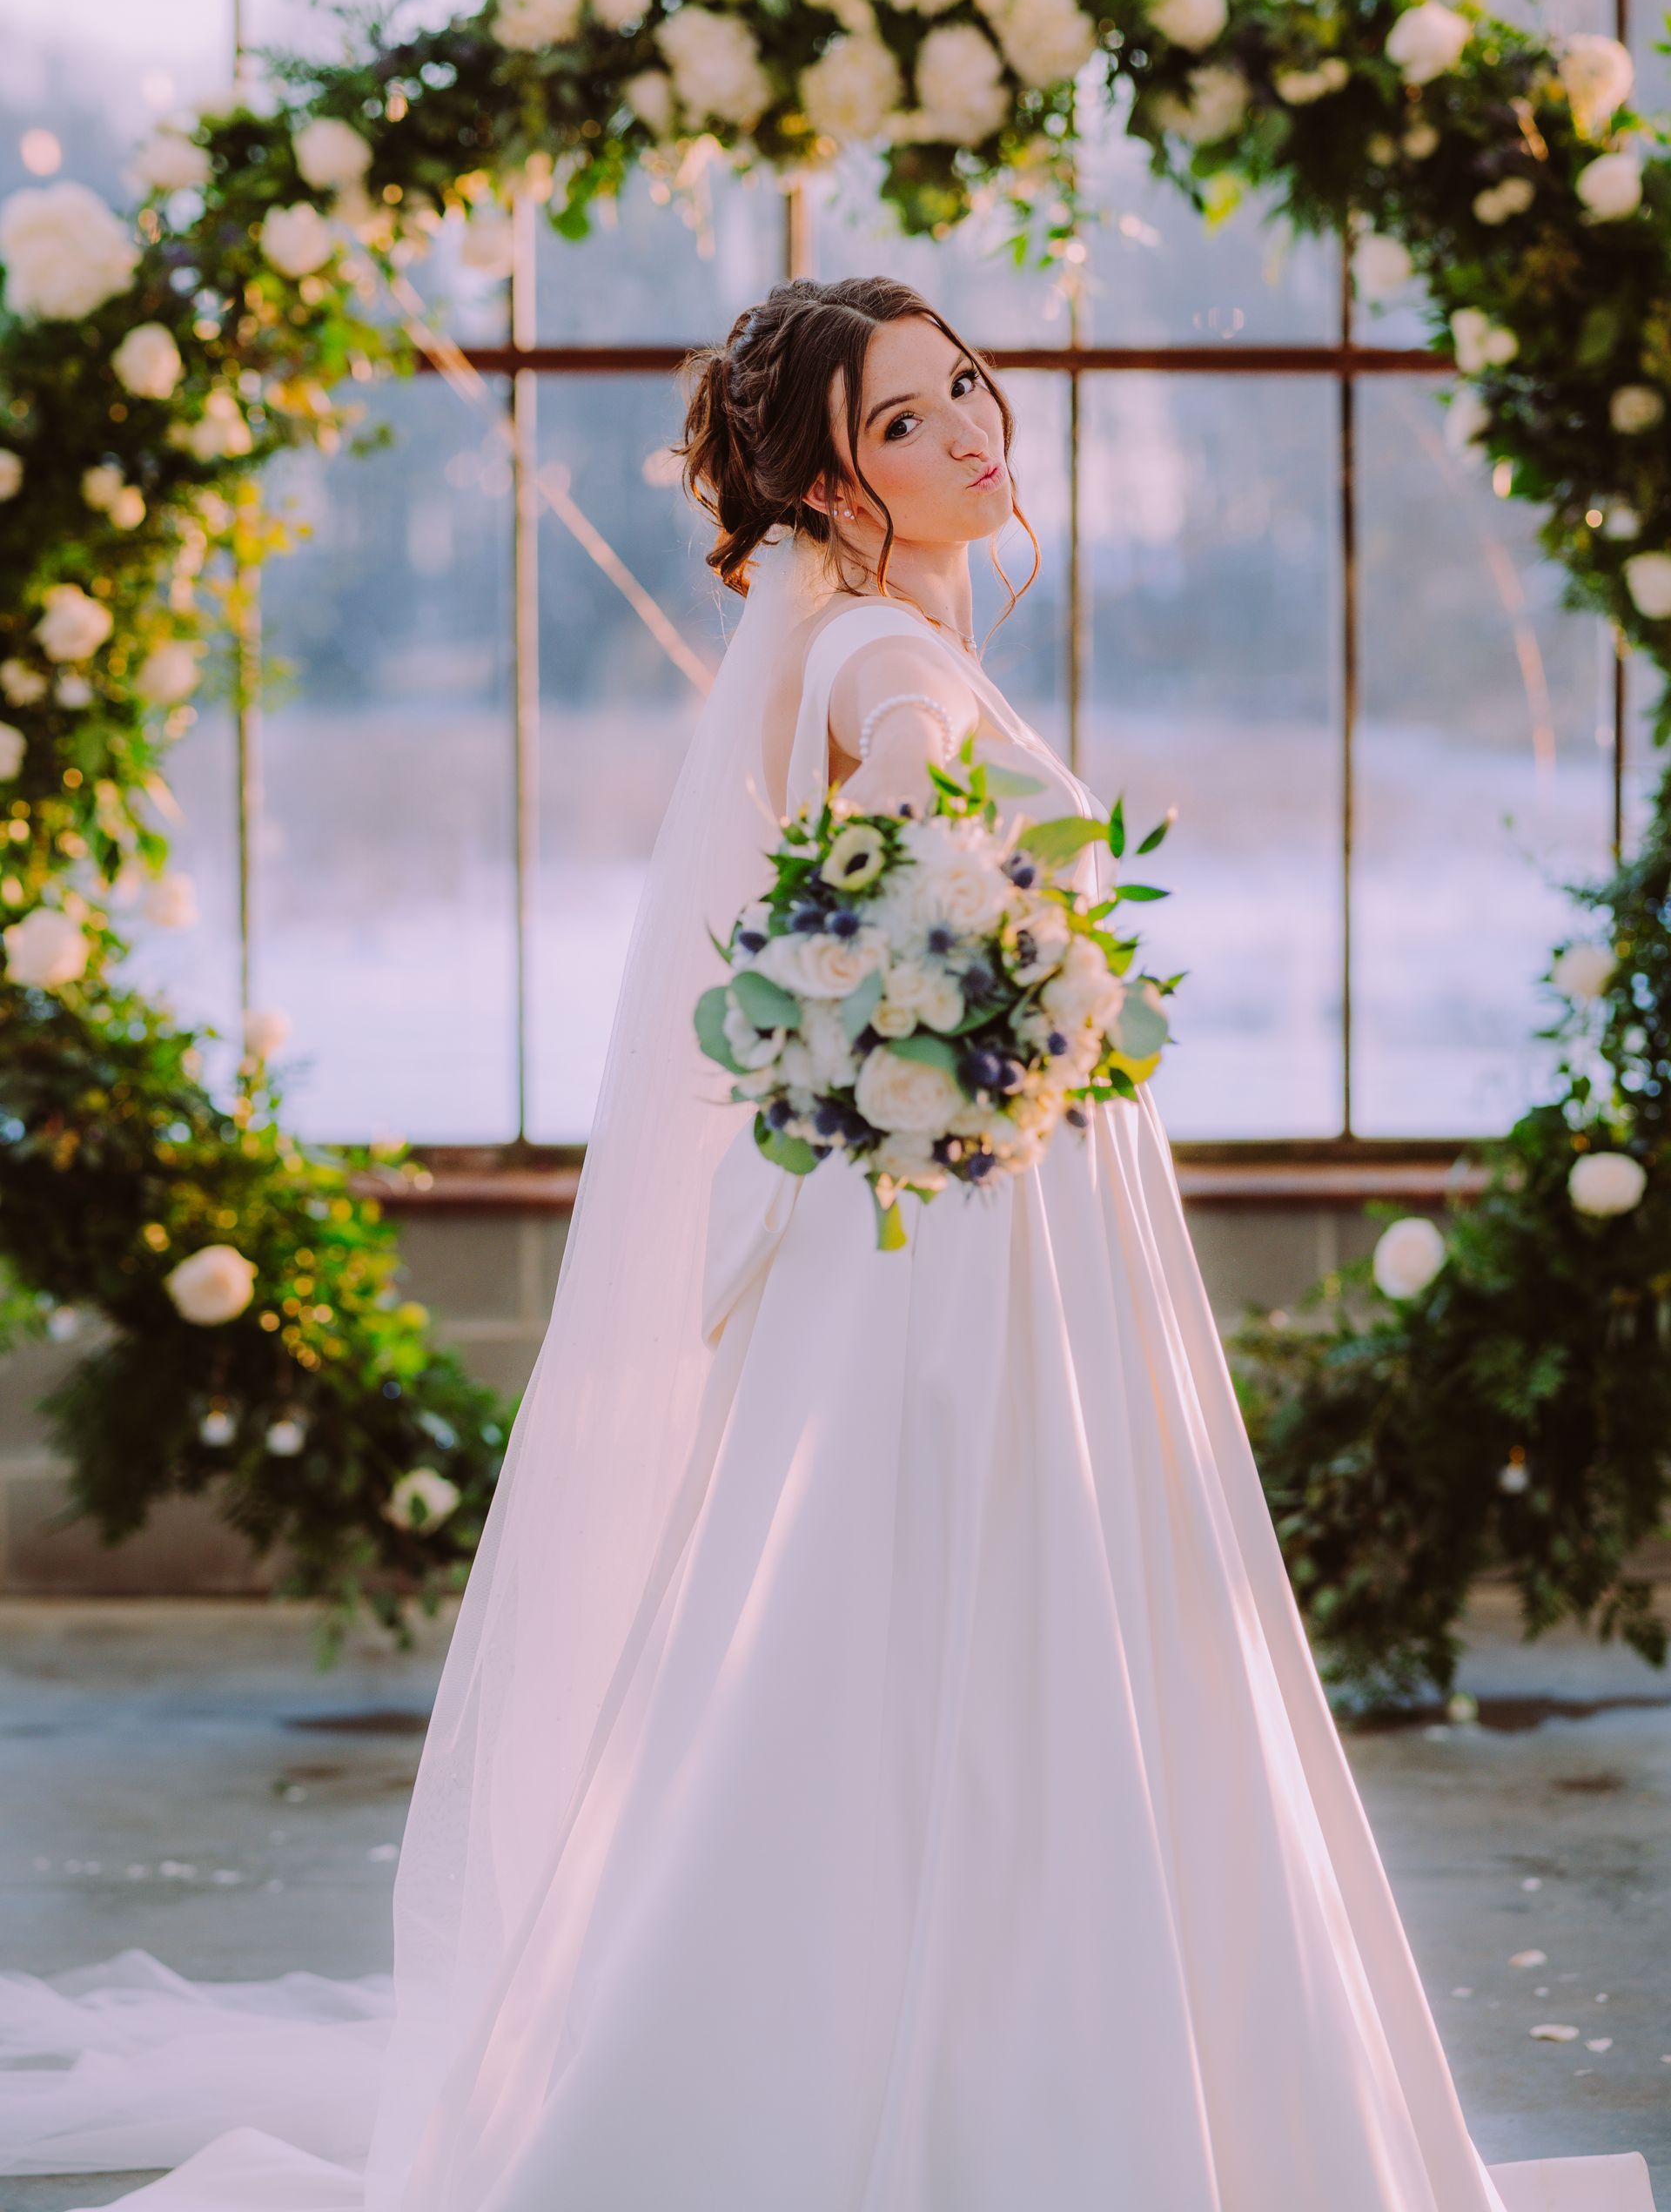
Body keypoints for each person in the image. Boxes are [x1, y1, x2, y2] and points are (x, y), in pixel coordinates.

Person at [0, 277, 1656, 2212]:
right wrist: (970, 986)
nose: (971, 433)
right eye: (901, 422)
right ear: (820, 484)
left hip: (984, 1193)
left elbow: (871, 897)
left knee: (925, 1616)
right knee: (998, 1610)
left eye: (967, 388)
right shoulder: (882, 654)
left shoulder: (876, 634)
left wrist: (967, 998)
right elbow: (882, 876)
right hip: (977, 1225)